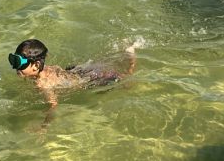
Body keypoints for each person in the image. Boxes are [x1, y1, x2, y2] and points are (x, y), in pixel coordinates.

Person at [8, 38, 140, 112]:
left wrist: (44, 126)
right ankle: (127, 51)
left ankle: (132, 57)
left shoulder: (43, 84)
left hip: (89, 79)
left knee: (126, 80)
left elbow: (54, 105)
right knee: (101, 63)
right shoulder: (44, 69)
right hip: (75, 71)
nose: (16, 67)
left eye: (20, 64)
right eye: (13, 61)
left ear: (36, 65)